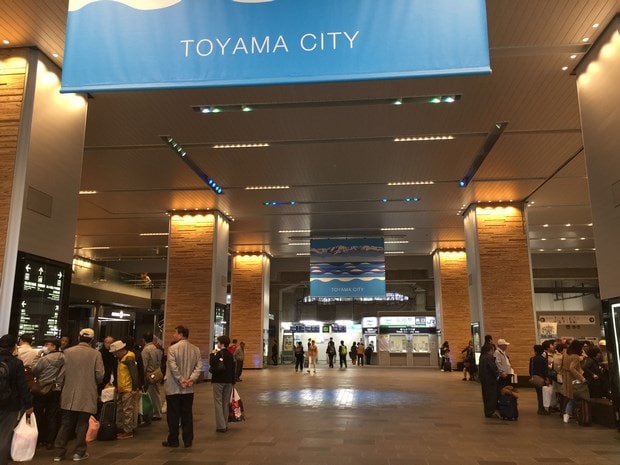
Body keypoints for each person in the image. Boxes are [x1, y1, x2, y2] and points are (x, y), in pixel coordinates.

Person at [53, 328, 104, 462]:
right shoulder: (95, 354)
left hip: (69, 393)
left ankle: (59, 452)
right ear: (92, 340)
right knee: (82, 423)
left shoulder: (68, 352)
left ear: (78, 337)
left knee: (66, 423)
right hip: (87, 393)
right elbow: (100, 375)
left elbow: (61, 374)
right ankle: (78, 452)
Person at [162, 325, 202, 448]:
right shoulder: (195, 349)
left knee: (173, 415)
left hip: (173, 387)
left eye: (175, 333)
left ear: (180, 334)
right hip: (188, 388)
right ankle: (188, 440)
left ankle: (173, 440)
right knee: (187, 414)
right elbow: (199, 366)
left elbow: (173, 367)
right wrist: (191, 379)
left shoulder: (172, 349)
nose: (174, 335)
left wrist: (181, 379)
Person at [0, 334, 34, 465]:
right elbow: (22, 386)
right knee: (5, 435)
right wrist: (28, 405)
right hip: (10, 404)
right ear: (14, 347)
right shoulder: (16, 363)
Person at [32, 336, 65, 449]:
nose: (45, 347)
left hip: (42, 389)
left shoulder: (44, 359)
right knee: (52, 416)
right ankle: (50, 441)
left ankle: (38, 439)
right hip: (56, 389)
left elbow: (34, 370)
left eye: (48, 345)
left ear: (54, 347)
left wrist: (38, 356)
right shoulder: (64, 358)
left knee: (38, 415)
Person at [210, 335, 235, 433]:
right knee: (225, 403)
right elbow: (233, 369)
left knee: (218, 402)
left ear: (222, 344)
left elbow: (212, 363)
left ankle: (221, 426)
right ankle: (225, 423)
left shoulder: (219, 354)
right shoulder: (230, 354)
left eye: (218, 342)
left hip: (218, 381)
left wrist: (212, 354)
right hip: (228, 381)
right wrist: (233, 382)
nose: (217, 344)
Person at [560, 339, 586, 423]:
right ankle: (568, 413)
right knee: (576, 396)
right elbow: (572, 368)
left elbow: (562, 365)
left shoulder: (565, 353)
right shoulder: (575, 356)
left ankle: (566, 413)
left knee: (569, 396)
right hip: (573, 378)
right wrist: (581, 378)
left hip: (566, 377)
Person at [142, 332, 163, 421]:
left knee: (151, 394)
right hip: (157, 372)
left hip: (150, 374)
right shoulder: (155, 348)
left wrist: (142, 375)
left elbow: (144, 364)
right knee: (156, 393)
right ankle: (158, 412)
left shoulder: (146, 350)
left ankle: (155, 413)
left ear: (144, 340)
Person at [478, 343, 500, 418]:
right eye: (493, 350)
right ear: (490, 350)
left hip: (484, 380)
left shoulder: (482, 357)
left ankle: (487, 411)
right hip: (490, 381)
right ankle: (491, 411)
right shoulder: (489, 358)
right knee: (492, 396)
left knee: (486, 396)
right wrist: (498, 374)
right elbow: (493, 368)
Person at [529, 344, 550, 415]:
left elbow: (530, 370)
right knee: (543, 394)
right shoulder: (544, 360)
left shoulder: (532, 359)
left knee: (539, 394)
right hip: (542, 378)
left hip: (535, 378)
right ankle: (542, 409)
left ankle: (540, 408)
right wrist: (547, 379)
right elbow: (545, 371)